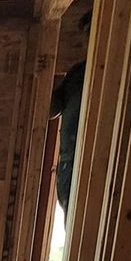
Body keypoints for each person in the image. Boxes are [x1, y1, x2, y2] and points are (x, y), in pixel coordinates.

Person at [50, 11, 91, 213]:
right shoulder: (78, 74)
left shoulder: (123, 70)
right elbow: (52, 108)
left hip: (96, 159)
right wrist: (45, 78)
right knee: (74, 219)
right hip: (70, 160)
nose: (89, 39)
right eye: (87, 34)